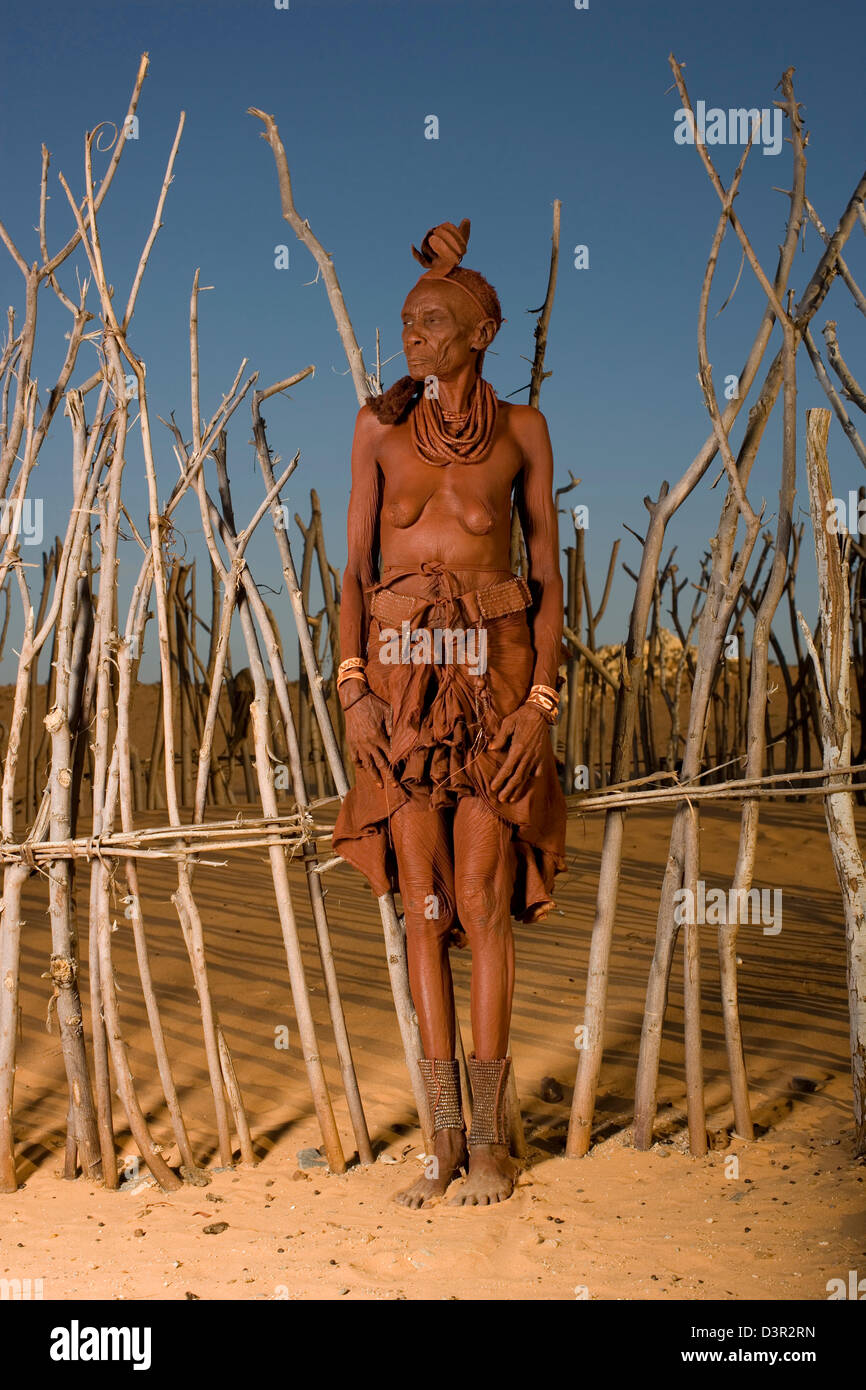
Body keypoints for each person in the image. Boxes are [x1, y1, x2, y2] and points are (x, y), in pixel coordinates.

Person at [333, 220, 567, 1207]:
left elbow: (549, 575)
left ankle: (489, 1141)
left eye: (432, 323)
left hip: (494, 681)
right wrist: (349, 688)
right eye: (406, 323)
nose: (413, 337)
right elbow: (349, 571)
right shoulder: (374, 429)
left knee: (479, 898)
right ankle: (437, 1142)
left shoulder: (521, 430)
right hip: (400, 688)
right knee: (421, 907)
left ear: (479, 333)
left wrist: (541, 705)